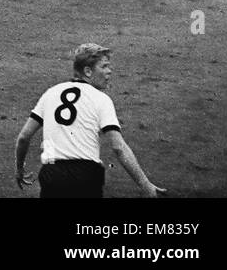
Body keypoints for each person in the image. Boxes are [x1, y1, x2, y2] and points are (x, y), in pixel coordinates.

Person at [15, 44, 165, 198]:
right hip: (85, 175)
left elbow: (24, 137)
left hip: (52, 174)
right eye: (104, 67)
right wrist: (145, 184)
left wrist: (20, 169)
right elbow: (118, 147)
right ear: (88, 71)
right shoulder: (101, 99)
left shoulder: (51, 93)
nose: (109, 71)